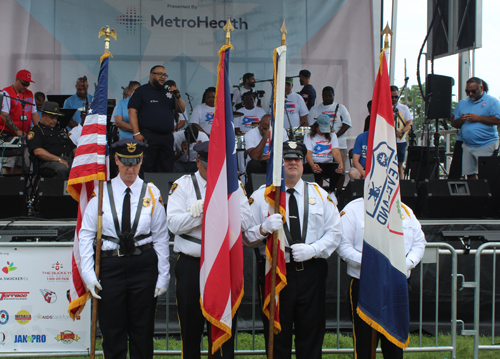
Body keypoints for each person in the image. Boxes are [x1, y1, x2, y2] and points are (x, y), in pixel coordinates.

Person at [244, 140, 342, 359]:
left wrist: (314, 249)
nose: (292, 163)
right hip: (276, 271)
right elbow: (246, 238)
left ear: (303, 163)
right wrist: (262, 229)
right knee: (277, 335)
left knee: (311, 333)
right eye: (287, 158)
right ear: (280, 162)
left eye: (297, 158)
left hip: (311, 272)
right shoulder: (262, 196)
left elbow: (335, 233)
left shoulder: (320, 195)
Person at [79, 138, 170, 359]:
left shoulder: (151, 192)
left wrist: (163, 275)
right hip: (111, 266)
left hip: (143, 265)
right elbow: (86, 235)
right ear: (116, 160)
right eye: (126, 162)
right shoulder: (101, 192)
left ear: (141, 162)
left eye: (136, 162)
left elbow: (160, 237)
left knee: (142, 330)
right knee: (112, 329)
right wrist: (88, 273)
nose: (131, 168)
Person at [167, 141, 252, 359]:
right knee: (190, 327)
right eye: (208, 164)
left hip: (222, 262)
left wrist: (215, 207)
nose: (213, 168)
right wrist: (197, 214)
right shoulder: (182, 185)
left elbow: (245, 222)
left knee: (223, 327)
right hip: (191, 265)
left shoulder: (233, 186)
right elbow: (174, 225)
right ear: (198, 161)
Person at [337, 197, 426, 359]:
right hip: (366, 285)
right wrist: (373, 264)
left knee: (394, 343)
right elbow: (343, 246)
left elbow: (419, 242)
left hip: (397, 285)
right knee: (365, 344)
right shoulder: (354, 209)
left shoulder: (404, 210)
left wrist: (405, 264)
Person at [128, 65, 186, 172]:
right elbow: (132, 111)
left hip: (167, 137)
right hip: (148, 136)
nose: (163, 77)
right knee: (147, 167)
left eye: (164, 75)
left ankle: (164, 189)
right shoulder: (142, 91)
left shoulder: (168, 92)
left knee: (167, 167)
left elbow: (181, 109)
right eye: (159, 74)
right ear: (151, 75)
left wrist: (177, 95)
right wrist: (136, 133)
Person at [451, 77, 500, 179]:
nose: (470, 94)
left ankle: (488, 194)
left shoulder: (492, 101)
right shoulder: (462, 103)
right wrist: (461, 120)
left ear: (481, 88)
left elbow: (498, 120)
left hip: (486, 144)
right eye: (468, 91)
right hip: (467, 144)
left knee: (486, 174)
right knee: (470, 174)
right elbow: (454, 123)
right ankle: (475, 194)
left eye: (473, 91)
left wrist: (478, 118)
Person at [308, 86, 352, 188]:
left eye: (330, 95)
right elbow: (312, 126)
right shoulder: (315, 109)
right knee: (319, 171)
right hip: (320, 146)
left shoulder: (341, 108)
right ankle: (320, 193)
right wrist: (324, 136)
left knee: (339, 171)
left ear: (333, 96)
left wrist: (334, 136)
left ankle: (337, 193)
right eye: (326, 95)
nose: (328, 97)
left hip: (339, 144)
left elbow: (347, 124)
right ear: (322, 96)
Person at [1, 70, 40, 174]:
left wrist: (40, 129)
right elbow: (5, 115)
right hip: (9, 135)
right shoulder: (6, 93)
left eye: (28, 84)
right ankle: (6, 189)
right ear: (16, 80)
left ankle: (18, 189)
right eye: (23, 84)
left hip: (24, 136)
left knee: (21, 166)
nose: (25, 87)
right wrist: (17, 131)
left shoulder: (30, 94)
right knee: (7, 166)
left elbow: (34, 114)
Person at [26, 101, 76, 179]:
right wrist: (59, 159)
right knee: (62, 169)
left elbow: (73, 147)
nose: (54, 121)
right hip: (48, 162)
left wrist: (80, 161)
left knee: (84, 168)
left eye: (56, 118)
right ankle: (59, 190)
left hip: (67, 159)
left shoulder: (59, 130)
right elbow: (38, 151)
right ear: (43, 116)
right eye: (51, 118)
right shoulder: (36, 131)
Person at [244, 114, 289, 194]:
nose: (266, 131)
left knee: (286, 163)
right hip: (260, 164)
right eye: (264, 128)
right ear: (259, 124)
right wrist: (265, 138)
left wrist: (269, 156)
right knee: (253, 164)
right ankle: (254, 193)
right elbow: (254, 156)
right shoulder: (250, 134)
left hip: (274, 161)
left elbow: (286, 150)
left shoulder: (281, 131)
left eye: (270, 129)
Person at [303, 114, 344, 194]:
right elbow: (308, 152)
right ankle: (318, 193)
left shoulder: (332, 135)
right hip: (313, 162)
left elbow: (335, 152)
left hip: (327, 163)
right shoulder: (308, 134)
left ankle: (331, 192)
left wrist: (341, 164)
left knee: (336, 170)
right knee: (319, 170)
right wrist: (312, 165)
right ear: (317, 126)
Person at [391, 85, 413, 179]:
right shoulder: (383, 107)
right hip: (388, 140)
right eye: (392, 97)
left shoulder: (404, 108)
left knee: (399, 166)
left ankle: (401, 188)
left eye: (396, 97)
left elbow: (409, 124)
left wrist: (402, 131)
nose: (394, 99)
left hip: (400, 141)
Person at [348, 101, 372, 180]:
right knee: (353, 173)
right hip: (362, 168)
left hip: (377, 168)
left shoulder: (382, 138)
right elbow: (355, 161)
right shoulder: (361, 137)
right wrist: (364, 173)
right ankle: (359, 192)